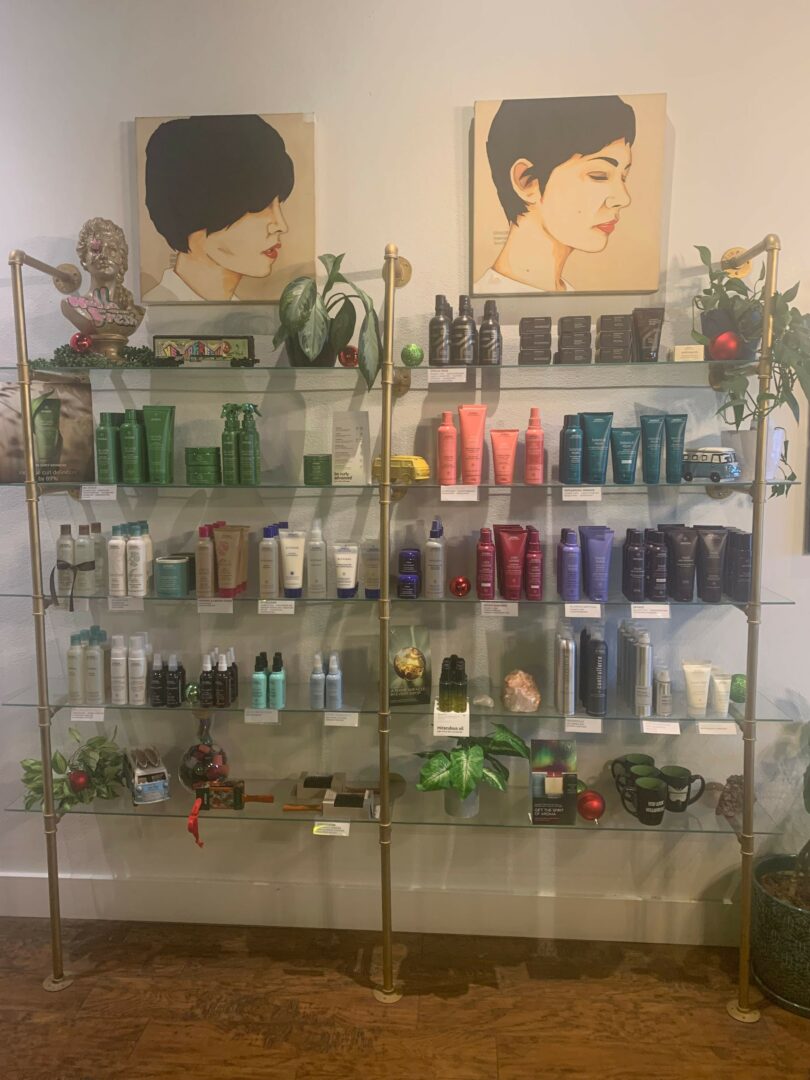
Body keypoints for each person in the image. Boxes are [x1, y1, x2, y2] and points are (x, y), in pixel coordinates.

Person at [475, 96, 636, 294]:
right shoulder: (487, 301)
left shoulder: (570, 298)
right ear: (526, 181)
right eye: (599, 175)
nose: (623, 199)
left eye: (624, 177)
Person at [143, 114, 294, 302]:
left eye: (278, 203)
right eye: (261, 206)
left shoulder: (242, 315)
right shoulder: (150, 314)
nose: (281, 225)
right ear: (196, 210)